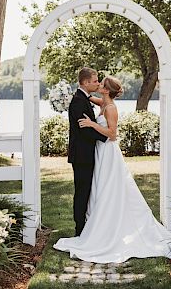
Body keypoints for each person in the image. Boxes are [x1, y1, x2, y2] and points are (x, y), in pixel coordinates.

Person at [54, 75, 171, 263]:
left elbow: (112, 135)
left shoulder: (111, 108)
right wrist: (72, 94)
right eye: (96, 81)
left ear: (106, 90)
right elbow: (87, 99)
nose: (98, 84)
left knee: (109, 186)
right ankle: (98, 224)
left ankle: (111, 224)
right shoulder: (103, 102)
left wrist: (92, 124)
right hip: (99, 152)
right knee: (99, 187)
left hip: (108, 152)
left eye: (101, 83)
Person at [67, 67, 108, 236]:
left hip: (87, 153)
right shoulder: (78, 101)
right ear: (85, 82)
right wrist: (107, 137)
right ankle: (79, 229)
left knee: (87, 190)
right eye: (95, 81)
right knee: (82, 191)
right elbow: (84, 130)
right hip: (82, 155)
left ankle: (85, 224)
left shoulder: (84, 98)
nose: (97, 83)